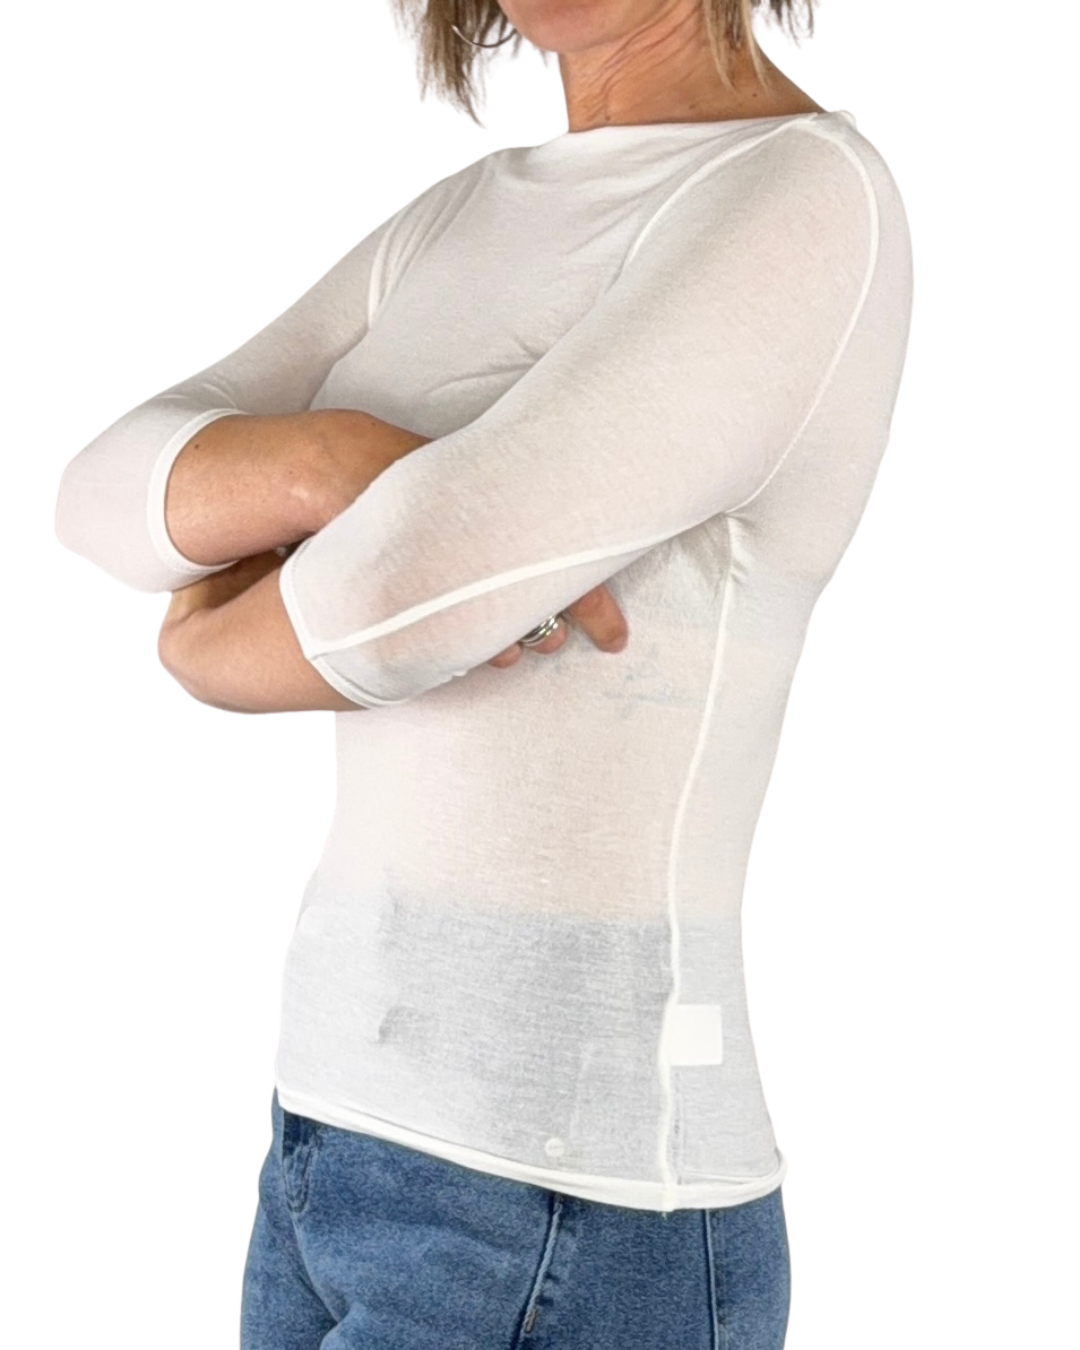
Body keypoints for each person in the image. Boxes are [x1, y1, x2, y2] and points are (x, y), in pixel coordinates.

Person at [53, 0, 913, 1345]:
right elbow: (103, 493)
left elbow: (398, 592)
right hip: (325, 1131)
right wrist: (330, 460)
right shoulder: (465, 215)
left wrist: (203, 633)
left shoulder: (798, 197)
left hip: (567, 1198)